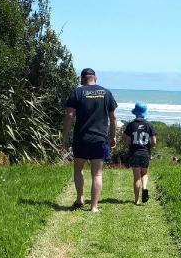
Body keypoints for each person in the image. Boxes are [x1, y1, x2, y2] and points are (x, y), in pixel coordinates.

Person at [62, 68, 118, 212]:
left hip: (81, 138)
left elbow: (69, 115)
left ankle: (80, 198)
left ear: (82, 78)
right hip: (99, 138)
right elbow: (113, 117)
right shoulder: (106, 93)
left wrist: (65, 137)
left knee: (78, 169)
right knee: (97, 174)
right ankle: (94, 206)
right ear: (95, 78)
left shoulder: (77, 92)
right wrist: (113, 136)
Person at [123, 103, 157, 204]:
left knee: (136, 176)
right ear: (144, 113)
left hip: (134, 153)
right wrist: (149, 147)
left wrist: (128, 146)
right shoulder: (149, 125)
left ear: (135, 113)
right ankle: (145, 187)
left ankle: (136, 200)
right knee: (144, 173)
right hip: (145, 153)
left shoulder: (131, 125)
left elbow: (126, 139)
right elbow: (154, 141)